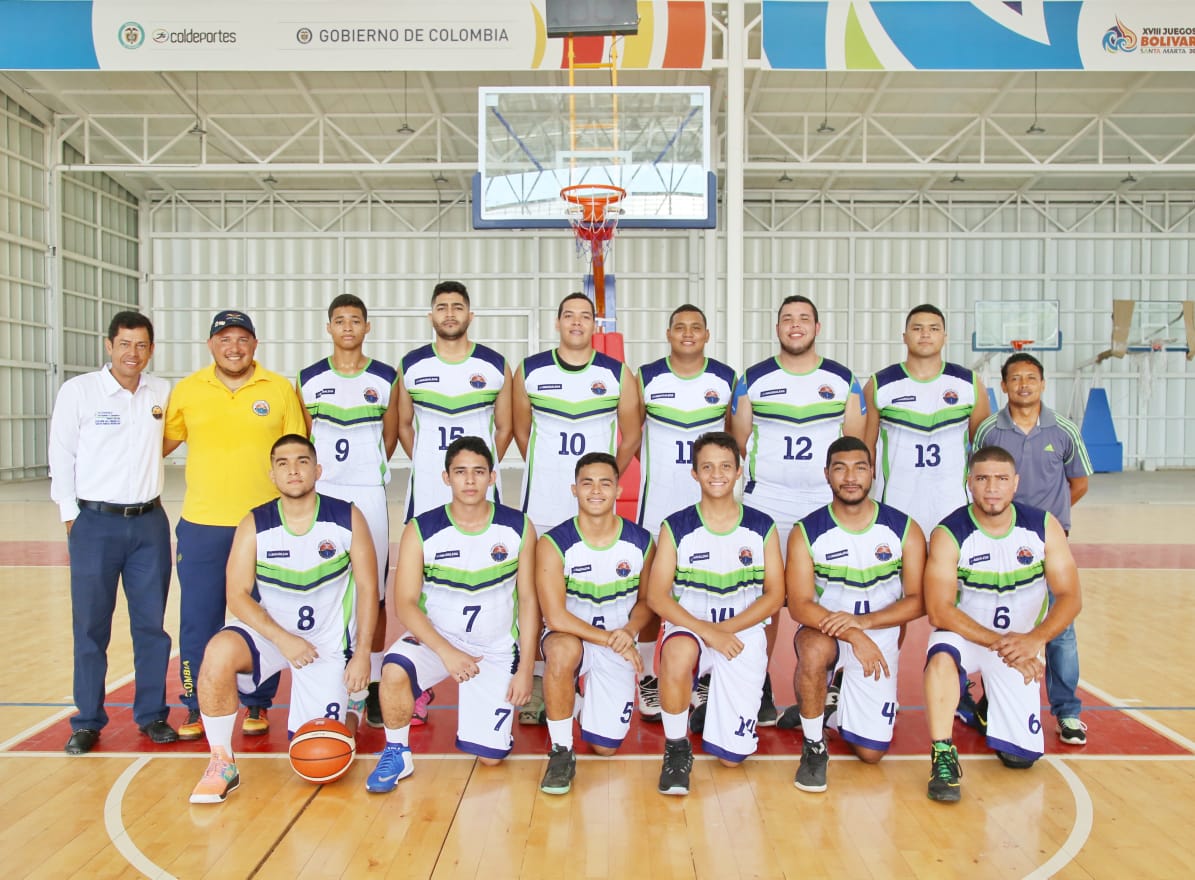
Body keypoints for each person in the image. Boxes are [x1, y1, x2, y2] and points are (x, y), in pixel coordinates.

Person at [189, 435, 377, 803]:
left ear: (317, 470)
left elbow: (370, 589)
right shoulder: (254, 524)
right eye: (283, 463)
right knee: (217, 653)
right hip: (273, 636)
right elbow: (236, 595)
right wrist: (281, 638)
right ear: (272, 474)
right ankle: (221, 762)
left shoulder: (346, 517)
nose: (293, 469)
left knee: (320, 758)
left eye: (302, 461)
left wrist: (363, 652)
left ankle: (353, 706)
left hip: (327, 643)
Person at [366, 436, 539, 793]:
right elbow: (406, 605)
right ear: (446, 478)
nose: (470, 480)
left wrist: (526, 670)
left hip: (494, 648)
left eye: (478, 472)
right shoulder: (420, 530)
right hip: (438, 640)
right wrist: (447, 651)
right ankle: (397, 751)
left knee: (491, 758)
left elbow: (528, 599)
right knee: (394, 669)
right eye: (460, 472)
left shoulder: (519, 527)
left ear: (493, 477)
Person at [164, 309, 306, 739]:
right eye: (225, 339)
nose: (234, 347)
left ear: (255, 345)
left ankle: (258, 703)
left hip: (265, 526)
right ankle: (194, 704)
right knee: (198, 620)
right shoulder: (187, 391)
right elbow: (157, 445)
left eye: (242, 338)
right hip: (203, 524)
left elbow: (295, 452)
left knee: (264, 616)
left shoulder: (280, 390)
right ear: (211, 345)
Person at [731, 294, 864, 725]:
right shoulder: (753, 378)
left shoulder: (843, 380)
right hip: (767, 501)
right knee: (763, 600)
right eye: (787, 318)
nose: (795, 325)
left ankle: (827, 686)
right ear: (777, 328)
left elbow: (854, 447)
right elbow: (739, 441)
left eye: (804, 318)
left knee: (829, 596)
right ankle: (759, 685)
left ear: (817, 327)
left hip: (822, 504)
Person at [48, 311, 178, 754]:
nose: (132, 354)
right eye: (124, 344)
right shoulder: (79, 392)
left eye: (141, 346)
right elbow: (61, 454)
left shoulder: (161, 392)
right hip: (94, 524)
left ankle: (152, 715)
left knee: (151, 627)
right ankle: (86, 720)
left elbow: (171, 438)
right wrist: (71, 516)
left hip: (149, 524)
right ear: (109, 346)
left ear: (151, 349)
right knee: (90, 628)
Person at [922, 446, 1082, 803]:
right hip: (968, 636)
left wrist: (1034, 640)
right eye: (982, 479)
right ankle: (943, 754)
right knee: (941, 657)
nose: (991, 488)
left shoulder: (1042, 526)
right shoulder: (950, 532)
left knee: (1020, 758)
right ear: (970, 483)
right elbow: (938, 610)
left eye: (1001, 479)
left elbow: (1071, 596)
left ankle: (986, 710)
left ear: (1015, 484)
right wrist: (1002, 643)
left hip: (1020, 644)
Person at [512, 291, 641, 723]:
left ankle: (599, 671)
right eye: (568, 315)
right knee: (533, 593)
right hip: (544, 500)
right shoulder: (530, 370)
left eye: (585, 316)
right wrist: (551, 472)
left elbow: (630, 436)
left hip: (594, 507)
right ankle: (534, 675)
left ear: (595, 325)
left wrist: (602, 479)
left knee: (598, 583)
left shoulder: (618, 373)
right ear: (557, 322)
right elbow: (520, 430)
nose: (576, 323)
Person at [646, 432, 785, 796]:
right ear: (694, 474)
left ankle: (711, 715)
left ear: (739, 471)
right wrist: (709, 632)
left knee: (731, 759)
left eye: (725, 466)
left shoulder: (762, 526)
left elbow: (775, 596)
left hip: (741, 633)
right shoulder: (675, 527)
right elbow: (657, 596)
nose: (717, 474)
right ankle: (676, 749)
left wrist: (725, 630)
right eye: (707, 467)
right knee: (676, 654)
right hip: (692, 629)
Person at [784, 436, 925, 792]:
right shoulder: (806, 532)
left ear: (872, 473)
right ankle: (814, 744)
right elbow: (799, 604)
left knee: (870, 752)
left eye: (860, 468)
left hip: (876, 631)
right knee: (814, 651)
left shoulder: (904, 529)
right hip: (825, 629)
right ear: (827, 475)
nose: (850, 477)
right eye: (840, 468)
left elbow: (918, 600)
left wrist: (864, 624)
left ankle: (830, 699)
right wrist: (852, 633)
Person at [973, 352, 1094, 745]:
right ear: (1003, 386)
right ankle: (991, 701)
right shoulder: (990, 430)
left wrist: (1050, 525)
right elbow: (975, 479)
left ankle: (1067, 711)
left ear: (1042, 384)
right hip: (998, 541)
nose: (1023, 384)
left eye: (1031, 378)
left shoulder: (1063, 430)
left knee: (1060, 628)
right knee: (996, 618)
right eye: (1015, 379)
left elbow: (1079, 482)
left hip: (1047, 543)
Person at [298, 293, 399, 728]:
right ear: (329, 328)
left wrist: (366, 473)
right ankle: (330, 677)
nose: (347, 328)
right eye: (339, 320)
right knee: (326, 587)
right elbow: (302, 438)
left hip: (368, 491)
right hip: (324, 491)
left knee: (371, 590)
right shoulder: (307, 379)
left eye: (355, 320)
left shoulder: (385, 378)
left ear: (367, 327)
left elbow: (391, 436)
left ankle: (372, 683)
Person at [634, 304, 736, 720]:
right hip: (658, 500)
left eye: (696, 327)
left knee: (714, 584)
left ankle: (707, 678)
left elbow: (733, 437)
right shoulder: (645, 377)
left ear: (707, 335)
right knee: (650, 592)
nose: (688, 333)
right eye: (680, 327)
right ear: (668, 333)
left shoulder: (726, 379)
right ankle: (647, 677)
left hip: (710, 504)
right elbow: (632, 433)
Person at [536, 453, 655, 794]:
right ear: (574, 489)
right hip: (574, 635)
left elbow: (648, 602)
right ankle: (561, 750)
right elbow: (555, 616)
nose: (596, 490)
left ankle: (572, 703)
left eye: (605, 483)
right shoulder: (554, 544)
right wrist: (612, 640)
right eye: (587, 483)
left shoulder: (641, 541)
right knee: (561, 652)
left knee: (605, 747)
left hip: (618, 638)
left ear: (619, 490)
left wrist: (630, 631)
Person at [863, 304, 990, 536]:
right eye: (917, 328)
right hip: (895, 504)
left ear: (944, 336)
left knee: (948, 571)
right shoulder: (879, 384)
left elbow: (983, 451)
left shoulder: (969, 384)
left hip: (953, 505)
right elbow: (865, 450)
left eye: (933, 328)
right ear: (904, 336)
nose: (925, 334)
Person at [398, 281, 512, 520]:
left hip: (479, 483)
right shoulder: (410, 366)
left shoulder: (495, 365)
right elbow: (403, 426)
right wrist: (425, 456)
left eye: (457, 307)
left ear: (470, 316)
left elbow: (505, 428)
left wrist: (481, 463)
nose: (449, 314)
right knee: (423, 551)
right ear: (431, 316)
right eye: (442, 308)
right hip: (428, 481)